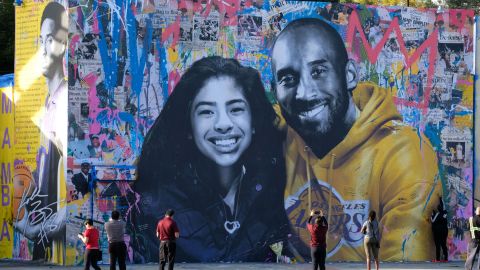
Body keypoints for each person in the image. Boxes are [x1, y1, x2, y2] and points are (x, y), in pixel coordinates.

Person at [270, 17, 441, 261]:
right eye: (287, 79)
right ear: (275, 89)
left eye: (318, 71)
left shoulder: (403, 152)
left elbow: (406, 263)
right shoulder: (277, 130)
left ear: (349, 75)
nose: (303, 92)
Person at [134, 56, 288, 262]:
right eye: (207, 111)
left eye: (236, 109)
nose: (223, 124)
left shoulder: (277, 191)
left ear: (254, 121)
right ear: (189, 126)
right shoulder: (157, 205)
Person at [13, 1, 68, 263]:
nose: (46, 49)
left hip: (57, 250)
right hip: (46, 250)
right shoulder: (50, 104)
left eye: (54, 40)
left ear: (65, 45)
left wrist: (37, 230)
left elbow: (77, 195)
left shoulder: (64, 103)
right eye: (42, 40)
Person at [431, 198, 448, 262]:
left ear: (438, 209)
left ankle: (437, 259)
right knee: (443, 244)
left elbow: (433, 221)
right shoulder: (445, 213)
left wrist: (433, 213)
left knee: (437, 245)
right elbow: (444, 206)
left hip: (437, 232)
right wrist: (441, 199)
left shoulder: (437, 215)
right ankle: (445, 258)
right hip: (444, 231)